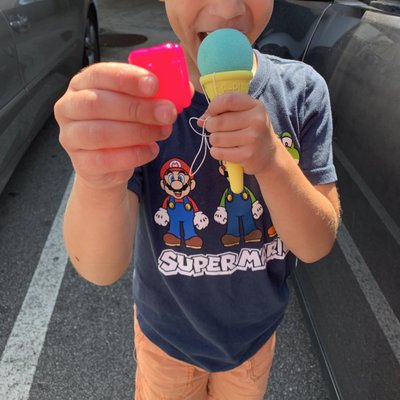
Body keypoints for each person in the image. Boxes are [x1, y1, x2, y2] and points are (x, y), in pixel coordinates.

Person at [54, 0, 341, 398]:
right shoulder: (145, 105)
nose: (226, 8)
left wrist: (273, 162)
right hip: (166, 342)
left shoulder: (301, 92)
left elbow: (316, 243)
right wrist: (97, 178)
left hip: (252, 343)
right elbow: (99, 267)